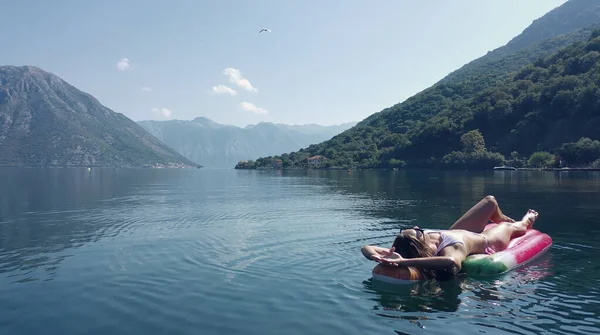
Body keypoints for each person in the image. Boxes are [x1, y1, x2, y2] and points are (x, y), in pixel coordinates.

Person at [361, 196, 539, 279]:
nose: (416, 227)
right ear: (420, 243)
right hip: (485, 239)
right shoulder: (450, 250)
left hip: (457, 231)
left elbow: (366, 247)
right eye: (417, 232)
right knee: (512, 227)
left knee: (490, 201)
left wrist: (375, 255)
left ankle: (499, 217)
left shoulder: (413, 242)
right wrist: (404, 264)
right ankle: (527, 218)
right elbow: (452, 263)